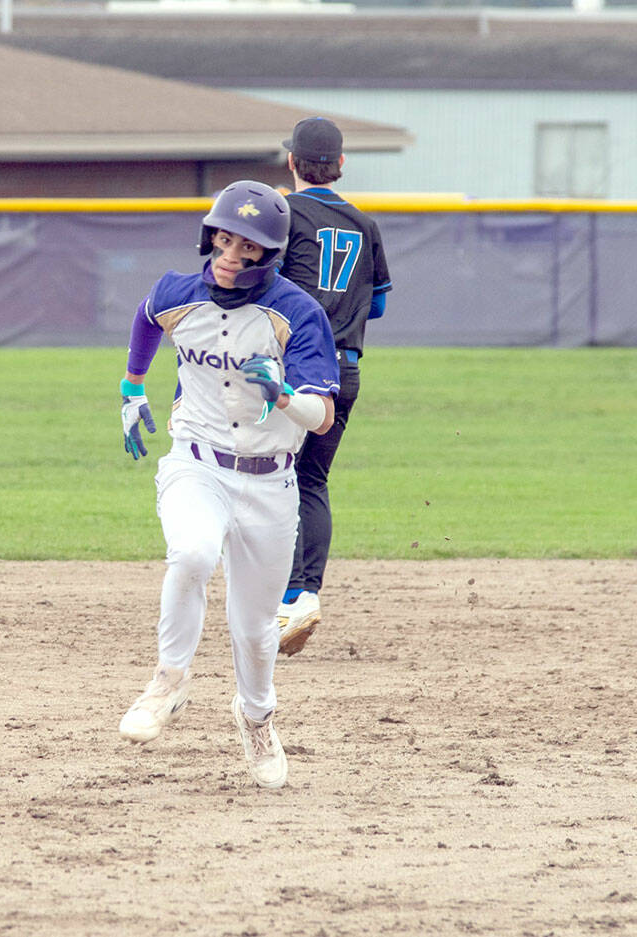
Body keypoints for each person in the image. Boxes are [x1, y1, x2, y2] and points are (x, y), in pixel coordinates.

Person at [116, 180, 339, 789]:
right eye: (224, 237)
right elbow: (147, 316)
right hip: (196, 462)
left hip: (270, 483)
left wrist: (284, 394)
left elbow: (322, 417)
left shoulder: (296, 314)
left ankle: (256, 717)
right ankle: (168, 681)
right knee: (191, 553)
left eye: (247, 246)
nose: (230, 253)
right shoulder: (178, 292)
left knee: (255, 630)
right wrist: (133, 385)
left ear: (270, 255)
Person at [274, 117, 393, 656]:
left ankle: (287, 595)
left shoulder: (286, 213)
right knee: (312, 479)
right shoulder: (364, 224)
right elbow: (378, 304)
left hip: (297, 366)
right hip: (345, 368)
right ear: (341, 165)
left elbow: (265, 282)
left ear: (291, 162)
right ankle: (305, 594)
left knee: (275, 476)